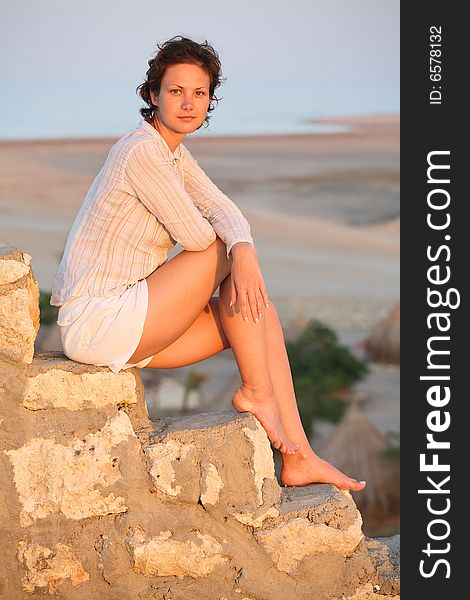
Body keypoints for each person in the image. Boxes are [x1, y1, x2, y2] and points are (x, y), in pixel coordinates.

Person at [51, 36, 366, 491]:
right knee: (218, 247)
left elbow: (225, 208)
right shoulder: (140, 151)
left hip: (134, 322)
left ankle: (298, 457)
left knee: (260, 311)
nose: (187, 103)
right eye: (175, 91)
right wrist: (236, 249)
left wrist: (248, 249)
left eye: (199, 93)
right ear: (152, 94)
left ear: (209, 101)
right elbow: (201, 236)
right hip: (101, 320)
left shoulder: (172, 153)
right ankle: (256, 394)